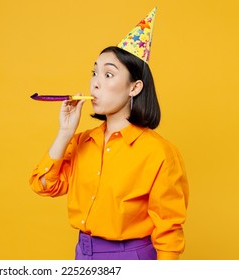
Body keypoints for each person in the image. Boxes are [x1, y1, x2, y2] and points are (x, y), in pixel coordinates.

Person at [29, 7, 189, 260]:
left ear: (134, 87)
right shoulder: (82, 142)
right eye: (94, 72)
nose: (95, 82)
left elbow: (169, 229)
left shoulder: (159, 153)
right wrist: (64, 132)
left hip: (132, 258)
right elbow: (44, 186)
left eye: (108, 74)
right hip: (83, 254)